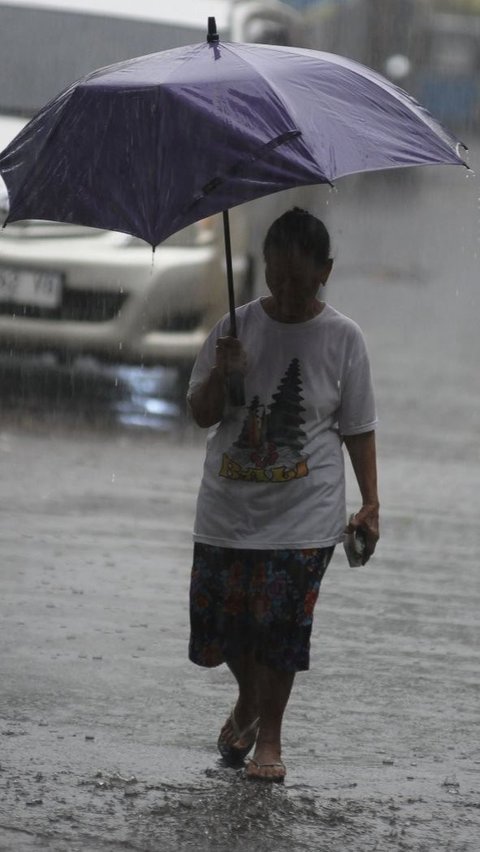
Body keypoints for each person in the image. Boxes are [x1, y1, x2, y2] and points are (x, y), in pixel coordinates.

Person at [187, 207, 379, 782]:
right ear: (263, 266)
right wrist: (225, 372)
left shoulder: (343, 338)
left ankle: (269, 738)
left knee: (281, 631)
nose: (288, 291)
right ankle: (249, 700)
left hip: (305, 516)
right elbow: (200, 414)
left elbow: (358, 426)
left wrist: (371, 502)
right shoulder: (235, 327)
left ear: (326, 270)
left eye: (301, 279)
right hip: (227, 511)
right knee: (222, 631)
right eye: (277, 277)